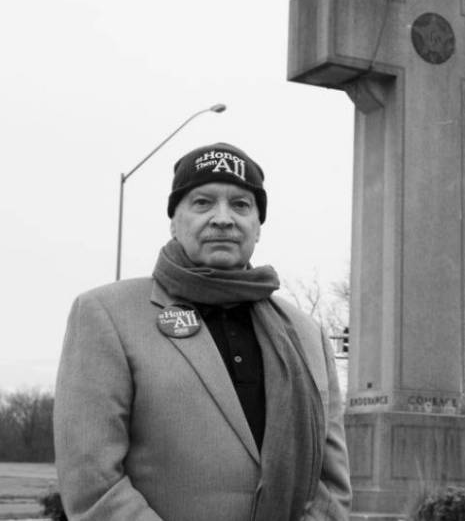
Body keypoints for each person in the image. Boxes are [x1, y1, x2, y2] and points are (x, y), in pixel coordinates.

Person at [55, 142, 352, 521]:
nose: (223, 218)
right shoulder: (105, 315)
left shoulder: (307, 335)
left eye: (241, 205)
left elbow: (331, 488)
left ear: (258, 227)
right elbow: (93, 481)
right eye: (202, 202)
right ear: (174, 220)